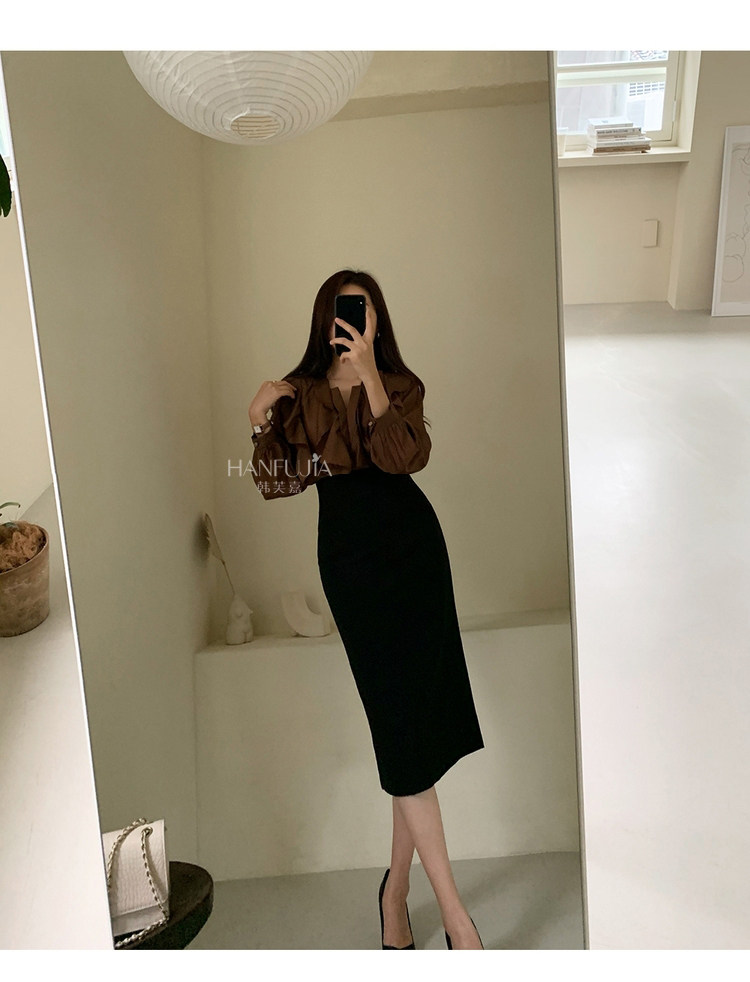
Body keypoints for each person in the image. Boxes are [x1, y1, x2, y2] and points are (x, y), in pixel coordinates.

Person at [248, 269, 485, 950]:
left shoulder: (401, 385)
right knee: (398, 728)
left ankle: (397, 894)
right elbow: (277, 481)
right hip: (352, 567)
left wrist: (372, 374)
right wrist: (259, 419)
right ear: (323, 319)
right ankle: (456, 920)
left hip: (415, 555)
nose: (353, 320)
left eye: (365, 311)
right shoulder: (301, 394)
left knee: (409, 736)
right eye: (343, 311)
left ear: (377, 319)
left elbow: (406, 457)